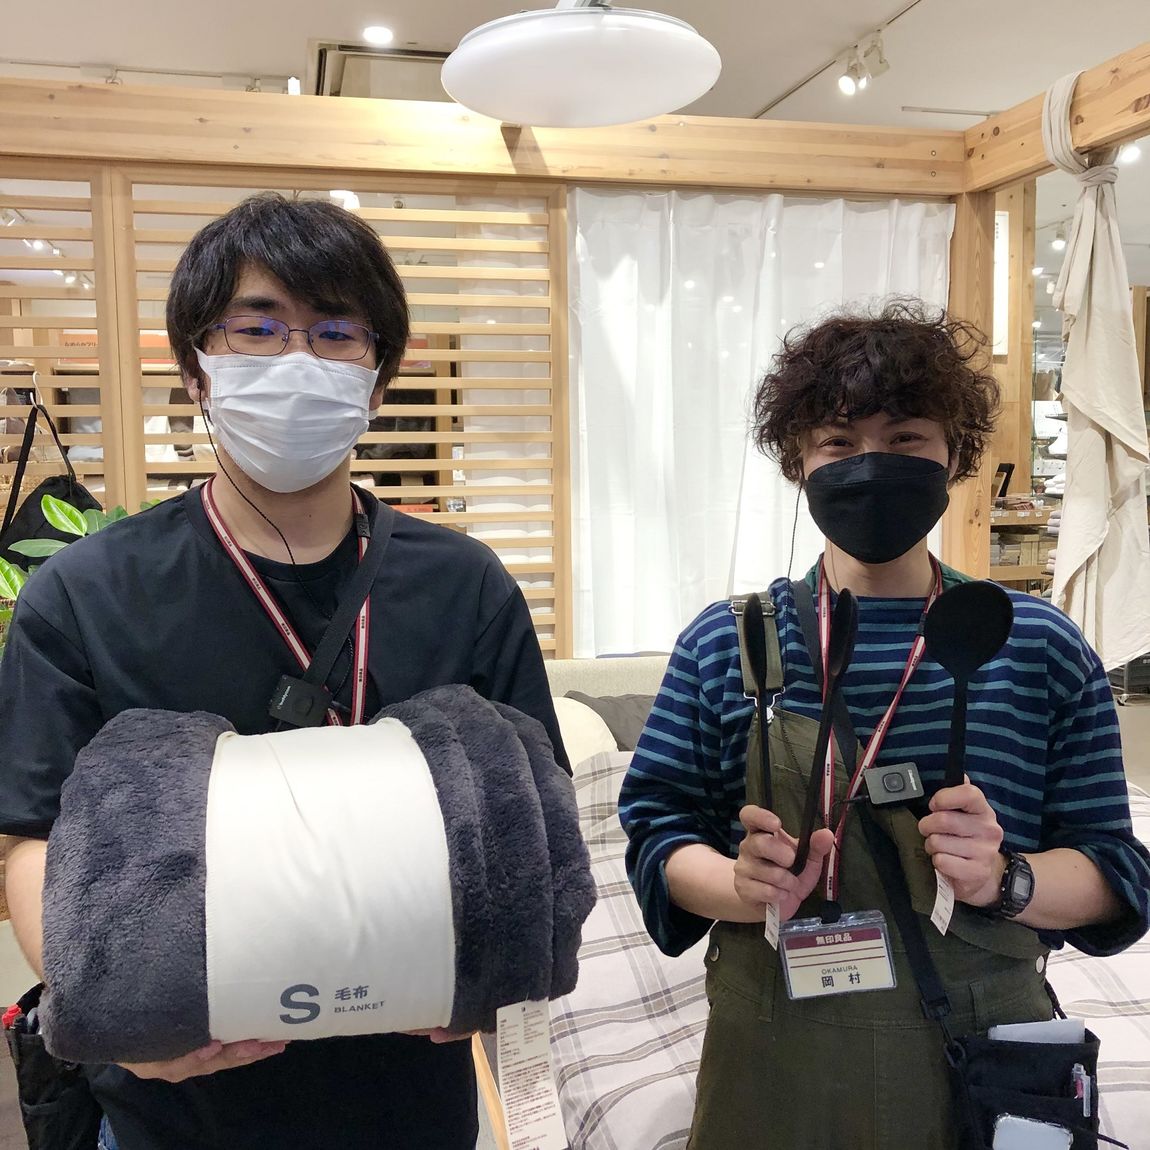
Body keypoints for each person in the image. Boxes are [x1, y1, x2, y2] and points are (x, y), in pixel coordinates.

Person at [0, 192, 567, 1150]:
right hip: (175, 1112)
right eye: (257, 328)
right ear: (196, 366)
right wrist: (120, 1021)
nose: (298, 359)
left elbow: (530, 818)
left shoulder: (464, 586)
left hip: (408, 1103)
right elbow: (35, 838)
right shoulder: (87, 594)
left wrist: (498, 982)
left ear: (378, 377)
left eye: (336, 332)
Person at [619, 301, 1150, 1149]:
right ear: (798, 462)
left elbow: (1115, 871)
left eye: (906, 438)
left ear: (955, 455)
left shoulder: (1033, 644)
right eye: (838, 442)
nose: (871, 465)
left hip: (978, 1057)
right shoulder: (729, 643)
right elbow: (658, 831)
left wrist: (1005, 878)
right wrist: (739, 884)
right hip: (778, 1056)